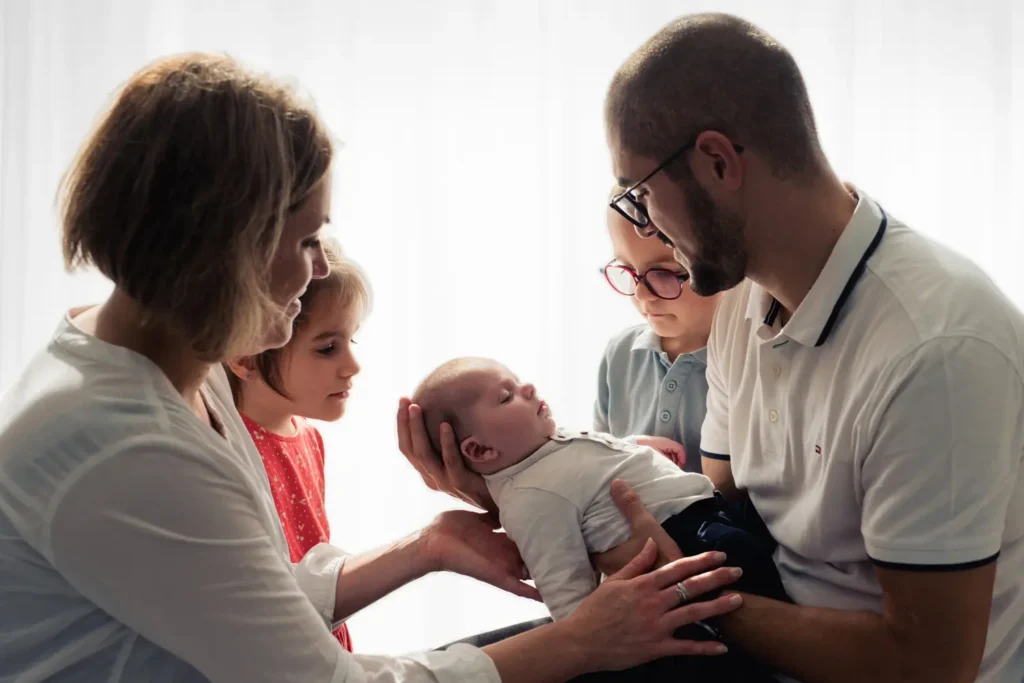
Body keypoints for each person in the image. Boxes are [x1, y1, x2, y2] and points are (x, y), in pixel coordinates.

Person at [0, 52, 743, 683]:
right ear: (225, 245)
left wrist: (428, 545)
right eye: (307, 238)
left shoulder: (170, 369)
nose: (319, 266)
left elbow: (244, 596)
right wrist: (579, 640)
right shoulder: (123, 445)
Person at [603, 12, 1023, 683]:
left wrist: (687, 591)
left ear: (717, 162)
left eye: (640, 194)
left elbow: (929, 665)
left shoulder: (935, 349)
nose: (646, 223)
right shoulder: (744, 297)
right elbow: (726, 498)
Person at [224, 240, 369, 652]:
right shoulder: (230, 449)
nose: (352, 366)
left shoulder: (308, 437)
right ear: (246, 357)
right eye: (327, 348)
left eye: (351, 341)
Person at [596, 189, 722, 473]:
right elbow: (598, 466)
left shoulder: (748, 365)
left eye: (663, 273)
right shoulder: (620, 354)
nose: (641, 294)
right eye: (626, 269)